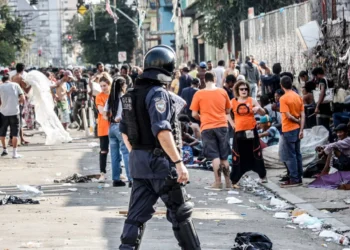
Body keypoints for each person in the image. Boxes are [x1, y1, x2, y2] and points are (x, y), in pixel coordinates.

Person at [119, 45, 200, 250]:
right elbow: (162, 132)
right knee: (181, 214)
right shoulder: (158, 94)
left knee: (135, 217)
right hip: (161, 165)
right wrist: (179, 163)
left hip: (139, 164)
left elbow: (125, 131)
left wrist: (137, 154)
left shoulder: (131, 94)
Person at [190, 71, 231, 190]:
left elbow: (194, 114)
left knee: (215, 156)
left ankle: (218, 183)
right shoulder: (223, 92)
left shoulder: (199, 94)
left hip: (207, 127)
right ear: (214, 79)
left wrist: (202, 118)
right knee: (224, 156)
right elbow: (228, 111)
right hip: (222, 125)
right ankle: (228, 183)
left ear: (204, 80)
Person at [229, 80, 267, 188]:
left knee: (255, 152)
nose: (244, 91)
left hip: (251, 131)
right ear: (237, 90)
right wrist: (232, 124)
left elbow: (263, 113)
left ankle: (262, 175)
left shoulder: (252, 100)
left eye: (246, 89)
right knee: (238, 154)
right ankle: (235, 179)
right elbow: (226, 113)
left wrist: (258, 108)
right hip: (239, 132)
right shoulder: (233, 101)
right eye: (242, 89)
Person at [279, 76, 305, 187]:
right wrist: (301, 127)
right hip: (297, 129)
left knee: (291, 155)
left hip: (288, 128)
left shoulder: (283, 99)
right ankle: (299, 177)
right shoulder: (298, 96)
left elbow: (288, 116)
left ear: (281, 85)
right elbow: (303, 114)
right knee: (297, 153)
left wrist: (297, 121)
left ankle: (294, 179)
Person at [104, 77, 129, 187]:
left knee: (114, 155)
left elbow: (105, 114)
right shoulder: (125, 98)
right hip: (121, 127)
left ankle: (116, 179)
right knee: (126, 152)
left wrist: (113, 117)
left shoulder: (110, 98)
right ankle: (131, 178)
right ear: (123, 85)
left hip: (112, 127)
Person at [0, 74, 25, 158]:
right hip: (15, 112)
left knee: (2, 132)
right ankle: (14, 153)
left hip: (3, 113)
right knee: (15, 133)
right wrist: (17, 103)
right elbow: (23, 98)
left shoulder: (0, 87)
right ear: (10, 79)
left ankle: (4, 149)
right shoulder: (15, 85)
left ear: (2, 80)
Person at [95, 77, 112, 183]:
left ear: (109, 85)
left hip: (114, 126)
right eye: (101, 86)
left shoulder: (113, 95)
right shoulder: (99, 96)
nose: (103, 88)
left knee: (116, 152)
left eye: (104, 85)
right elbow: (102, 111)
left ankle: (118, 173)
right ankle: (102, 173)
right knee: (104, 150)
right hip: (103, 127)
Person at [11, 63, 31, 145]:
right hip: (19, 100)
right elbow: (26, 90)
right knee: (18, 121)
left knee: (15, 120)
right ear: (23, 70)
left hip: (13, 100)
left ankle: (16, 139)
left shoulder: (13, 77)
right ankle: (20, 139)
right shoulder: (21, 78)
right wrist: (32, 85)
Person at [312, 67, 332, 139]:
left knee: (323, 127)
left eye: (315, 76)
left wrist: (317, 106)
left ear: (317, 74)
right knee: (326, 126)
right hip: (327, 106)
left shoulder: (322, 81)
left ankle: (328, 142)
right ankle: (330, 141)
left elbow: (322, 93)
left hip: (322, 107)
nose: (315, 78)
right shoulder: (327, 80)